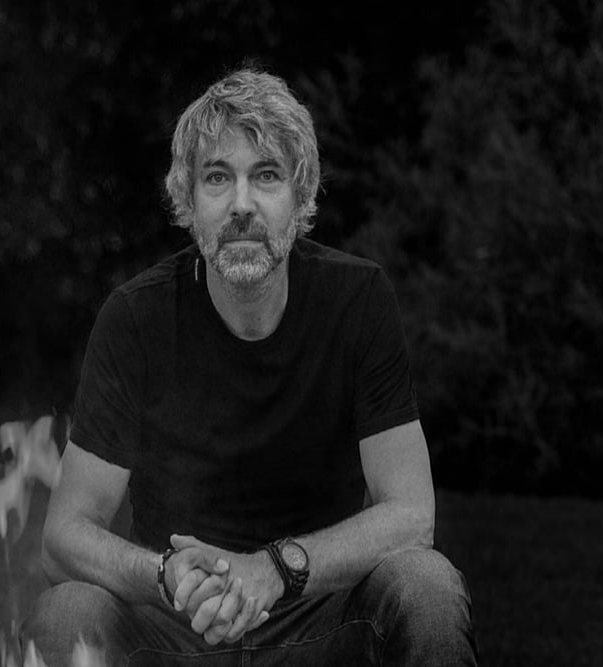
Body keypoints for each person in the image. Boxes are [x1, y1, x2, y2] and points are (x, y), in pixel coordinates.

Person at [24, 68, 477, 666]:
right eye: (218, 177)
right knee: (66, 613)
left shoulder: (358, 299)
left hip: (319, 616)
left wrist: (274, 569)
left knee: (427, 585)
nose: (242, 204)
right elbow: (64, 536)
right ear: (187, 201)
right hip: (178, 623)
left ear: (302, 196)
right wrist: (165, 574)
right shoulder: (135, 318)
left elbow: (412, 516)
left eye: (266, 175)